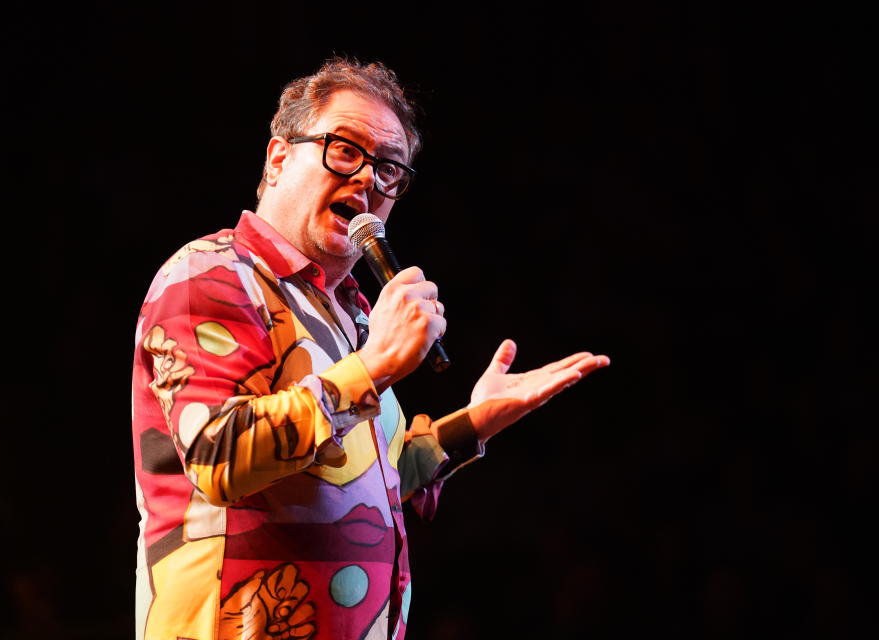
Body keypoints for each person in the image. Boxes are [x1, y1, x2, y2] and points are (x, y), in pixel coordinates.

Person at [131, 57, 610, 640]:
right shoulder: (211, 272)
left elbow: (364, 478)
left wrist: (472, 424)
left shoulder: (353, 312)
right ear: (278, 158)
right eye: (345, 150)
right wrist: (375, 365)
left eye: (389, 169)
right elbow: (218, 455)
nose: (367, 179)